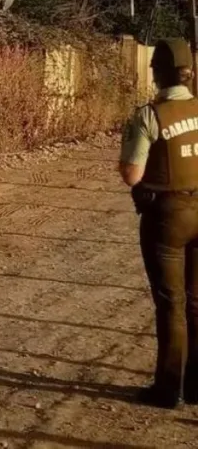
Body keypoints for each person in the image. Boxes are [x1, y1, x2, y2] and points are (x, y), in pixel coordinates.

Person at [119, 37, 198, 409]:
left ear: (157, 75)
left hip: (167, 215)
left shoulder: (149, 115)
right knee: (197, 300)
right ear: (190, 73)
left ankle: (169, 388)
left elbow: (132, 174)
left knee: (171, 303)